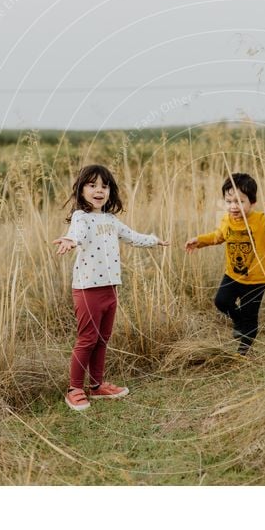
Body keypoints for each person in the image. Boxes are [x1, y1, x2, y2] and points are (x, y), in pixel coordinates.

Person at [53, 164, 168, 411]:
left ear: (110, 192)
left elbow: (132, 236)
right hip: (87, 290)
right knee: (87, 339)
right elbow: (78, 234)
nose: (99, 191)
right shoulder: (81, 218)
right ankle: (74, 389)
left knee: (103, 339)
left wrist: (154, 240)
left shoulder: (111, 220)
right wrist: (70, 240)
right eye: (92, 185)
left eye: (104, 186)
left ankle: (97, 386)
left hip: (110, 289)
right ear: (81, 189)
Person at [185, 173, 265, 355]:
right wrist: (199, 241)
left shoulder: (261, 220)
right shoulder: (227, 220)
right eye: (229, 201)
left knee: (250, 314)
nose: (234, 206)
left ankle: (244, 350)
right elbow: (218, 237)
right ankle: (239, 322)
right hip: (232, 274)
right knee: (221, 301)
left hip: (256, 279)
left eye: (240, 201)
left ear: (252, 202)